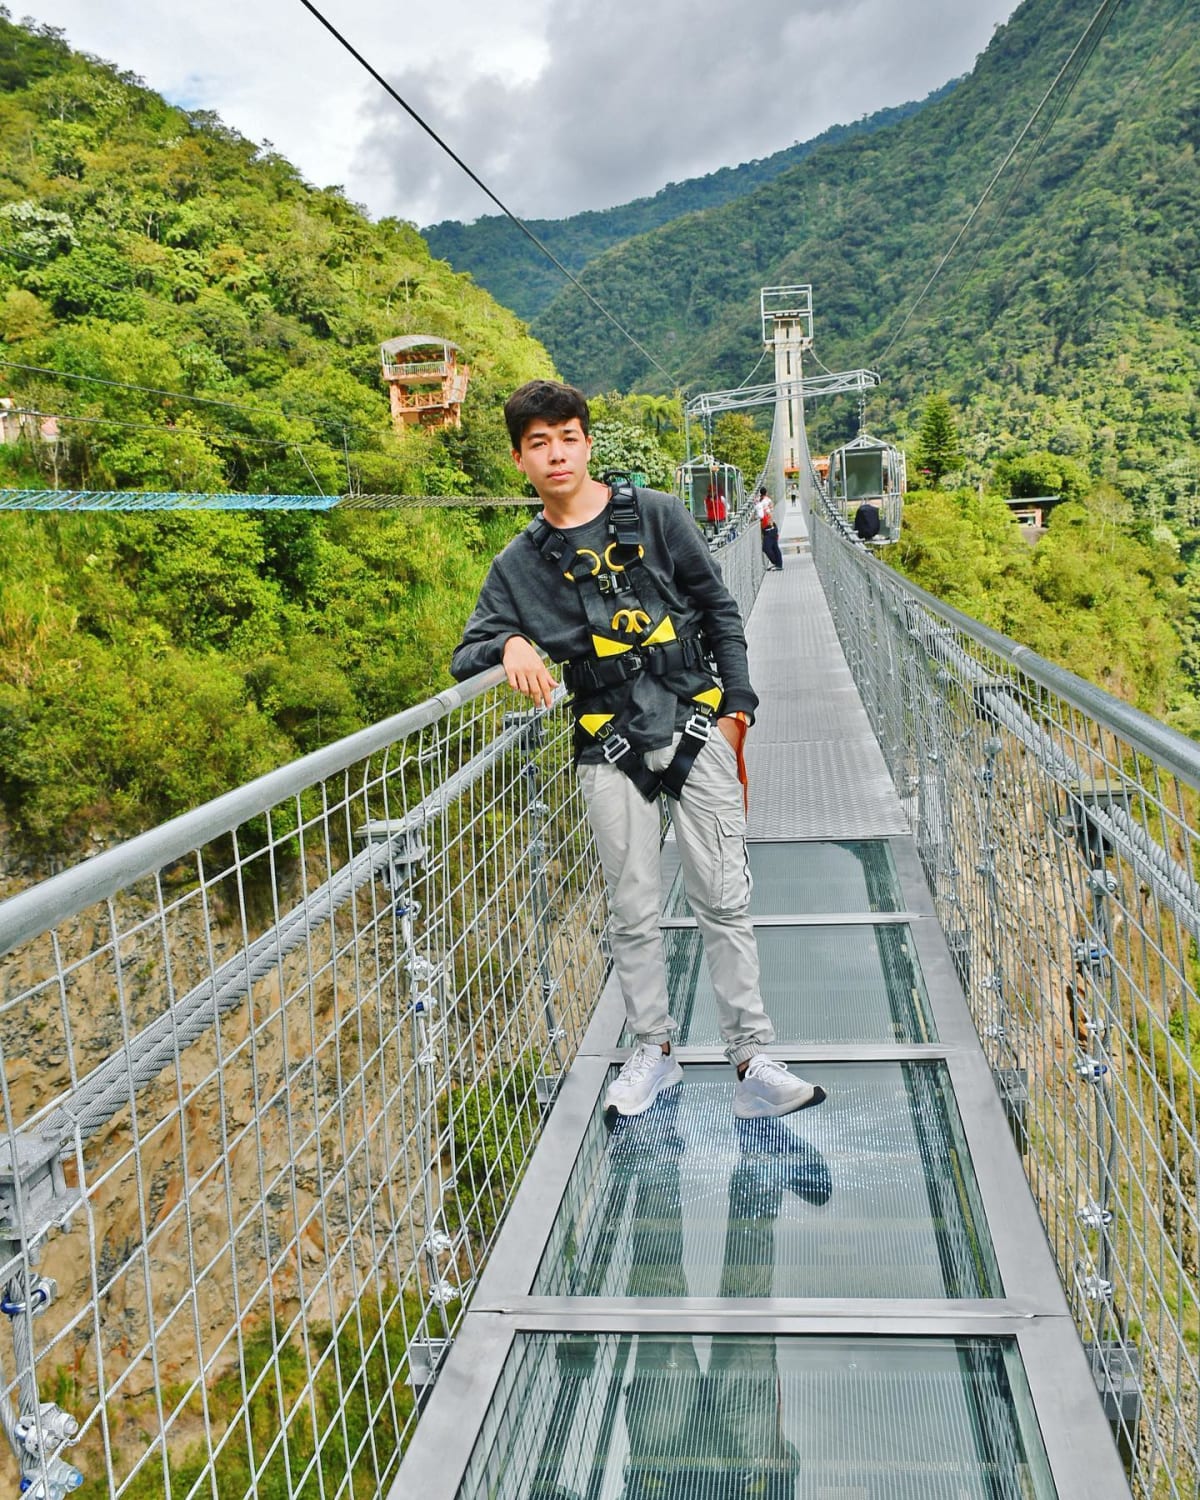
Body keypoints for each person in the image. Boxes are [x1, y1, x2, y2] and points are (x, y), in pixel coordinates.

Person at [451, 380, 825, 1121]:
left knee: (724, 897)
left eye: (567, 436)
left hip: (696, 725)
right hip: (607, 745)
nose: (555, 453)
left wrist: (738, 712)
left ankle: (754, 1059)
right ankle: (653, 1053)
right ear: (519, 460)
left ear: (588, 442)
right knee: (632, 909)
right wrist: (513, 641)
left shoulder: (656, 515)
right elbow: (468, 653)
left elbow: (719, 610)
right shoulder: (519, 565)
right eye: (538, 443)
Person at [755, 486, 784, 571]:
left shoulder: (762, 502)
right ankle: (778, 564)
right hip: (771, 527)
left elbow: (762, 513)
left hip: (769, 528)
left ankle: (776, 563)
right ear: (766, 492)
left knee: (766, 548)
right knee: (774, 547)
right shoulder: (767, 500)